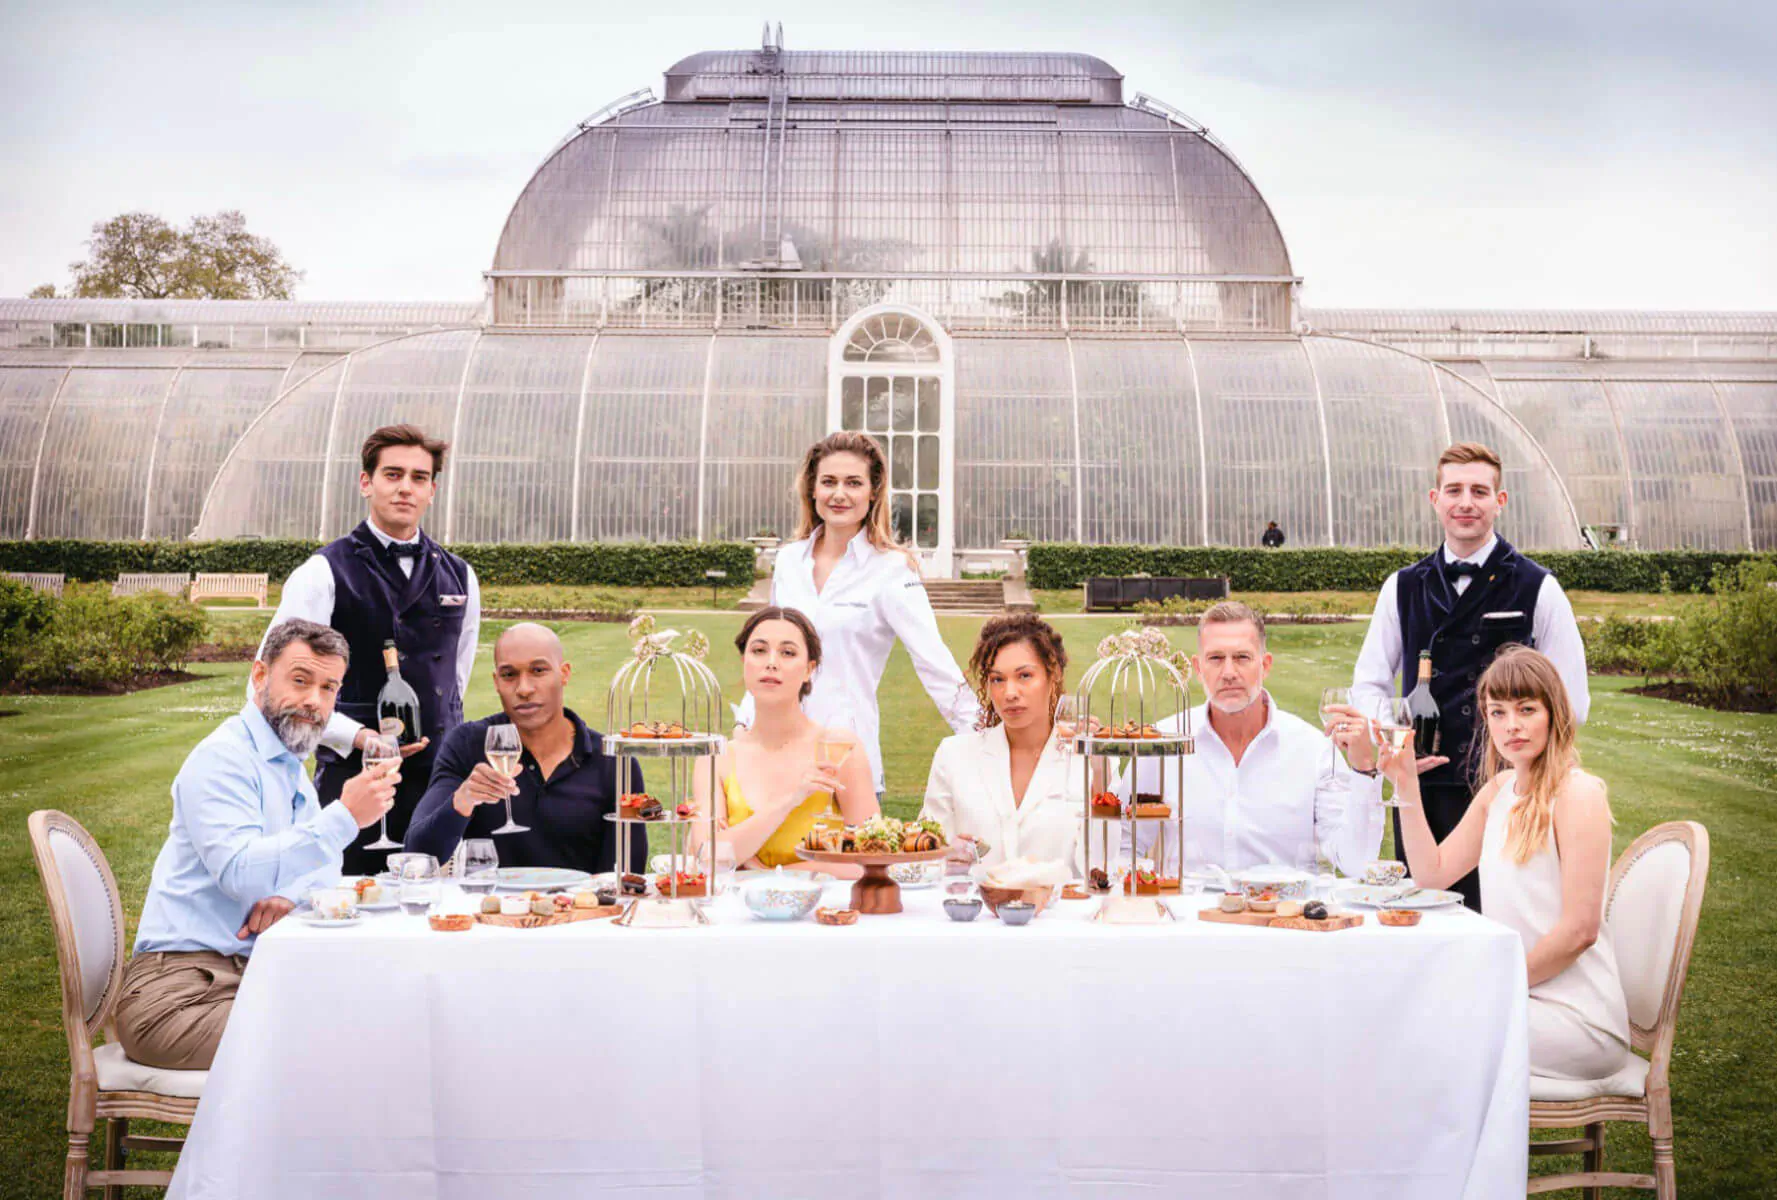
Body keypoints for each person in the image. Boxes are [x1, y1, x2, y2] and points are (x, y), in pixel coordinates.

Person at [117, 619, 398, 1070]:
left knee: (382, 1007)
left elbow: (322, 870)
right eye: (301, 680)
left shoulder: (287, 765)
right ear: (260, 675)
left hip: (251, 976)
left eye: (329, 688)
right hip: (177, 996)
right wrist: (344, 816)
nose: (314, 701)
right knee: (342, 1040)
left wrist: (289, 895)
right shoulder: (223, 759)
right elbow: (240, 873)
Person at [1349, 441, 1589, 910]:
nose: (1465, 502)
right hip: (1423, 790)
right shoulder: (1402, 586)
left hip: (1509, 788)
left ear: (1499, 502)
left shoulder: (1539, 586)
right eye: (1454, 490)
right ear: (1434, 499)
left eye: (1480, 491)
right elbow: (1369, 683)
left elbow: (1571, 700)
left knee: (1504, 915)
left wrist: (1525, 767)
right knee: (1422, 913)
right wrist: (1396, 743)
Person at [1379, 646, 1631, 1082]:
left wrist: (1496, 984)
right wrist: (1405, 784)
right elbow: (1431, 874)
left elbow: (1579, 932)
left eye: (1526, 709)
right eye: (1497, 713)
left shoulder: (1578, 795)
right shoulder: (1499, 791)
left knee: (1423, 1036)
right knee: (1405, 1017)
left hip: (1577, 1020)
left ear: (1554, 713)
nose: (1511, 725)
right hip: (1520, 1001)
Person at [257, 423, 480, 875]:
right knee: (347, 907)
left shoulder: (461, 576)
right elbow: (271, 685)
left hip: (440, 782)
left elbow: (456, 678)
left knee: (438, 913)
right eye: (392, 474)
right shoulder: (323, 571)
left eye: (419, 478)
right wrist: (357, 737)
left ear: (432, 490)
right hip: (353, 780)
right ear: (366, 482)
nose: (405, 488)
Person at [738, 431, 978, 798]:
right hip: (772, 760)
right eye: (829, 482)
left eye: (853, 483)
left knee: (845, 858)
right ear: (812, 490)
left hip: (845, 767)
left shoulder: (892, 569)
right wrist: (743, 725)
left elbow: (934, 663)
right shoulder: (788, 561)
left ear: (873, 492)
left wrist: (985, 739)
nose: (839, 494)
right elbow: (768, 655)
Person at [1114, 602, 1384, 876]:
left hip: (1285, 913)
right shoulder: (1162, 744)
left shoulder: (1313, 749)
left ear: (1265, 665)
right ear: (1198, 668)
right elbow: (1123, 846)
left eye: (1242, 657)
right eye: (1216, 658)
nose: (1229, 672)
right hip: (1189, 914)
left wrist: (1364, 768)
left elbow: (1356, 862)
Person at [404, 623, 645, 874]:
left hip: (583, 910)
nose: (524, 689)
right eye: (509, 675)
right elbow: (417, 856)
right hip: (489, 910)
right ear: (496, 682)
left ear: (564, 674)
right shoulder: (467, 744)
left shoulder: (613, 761)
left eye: (538, 670)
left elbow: (627, 873)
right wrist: (461, 802)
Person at [692, 607, 877, 877]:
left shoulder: (838, 749)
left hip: (824, 915)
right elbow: (706, 858)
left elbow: (874, 858)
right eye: (759, 650)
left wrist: (770, 873)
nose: (771, 662)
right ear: (744, 661)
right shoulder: (715, 758)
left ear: (808, 670)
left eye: (788, 652)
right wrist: (789, 800)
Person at [921, 614, 1101, 873]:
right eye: (998, 679)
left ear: (1054, 675)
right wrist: (948, 860)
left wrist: (1100, 772)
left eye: (1025, 676)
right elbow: (925, 857)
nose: (1010, 693)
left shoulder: (1091, 760)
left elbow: (1103, 864)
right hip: (978, 910)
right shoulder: (954, 756)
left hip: (1060, 912)